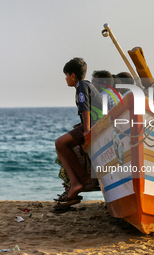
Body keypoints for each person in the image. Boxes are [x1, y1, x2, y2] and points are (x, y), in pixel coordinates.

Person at [55, 58, 102, 201]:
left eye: (66, 75)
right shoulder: (87, 85)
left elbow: (85, 107)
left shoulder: (81, 85)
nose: (65, 79)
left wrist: (86, 129)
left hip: (95, 125)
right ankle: (78, 181)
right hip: (99, 123)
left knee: (60, 143)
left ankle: (79, 181)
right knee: (64, 144)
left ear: (73, 75)